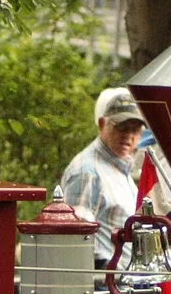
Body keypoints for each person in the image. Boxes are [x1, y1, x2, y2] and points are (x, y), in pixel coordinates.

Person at [60, 88, 148, 268]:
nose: (129, 136)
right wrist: (112, 275)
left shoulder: (121, 169)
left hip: (123, 286)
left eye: (135, 129)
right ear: (102, 124)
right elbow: (78, 239)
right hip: (104, 289)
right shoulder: (87, 171)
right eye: (122, 127)